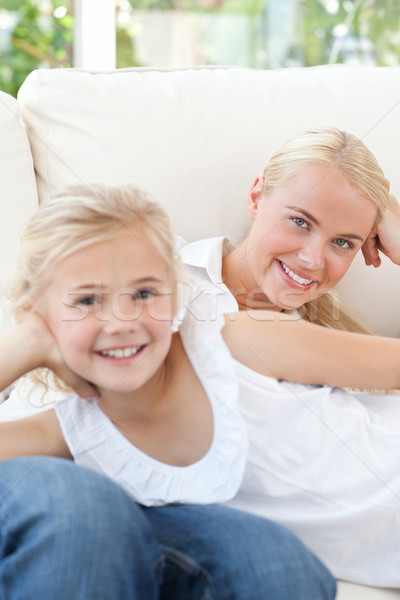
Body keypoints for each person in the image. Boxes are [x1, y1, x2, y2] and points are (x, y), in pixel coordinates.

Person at [0, 183, 336, 599]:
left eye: (144, 293)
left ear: (174, 293)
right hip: (52, 499)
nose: (122, 320)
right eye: (87, 299)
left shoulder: (210, 338)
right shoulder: (56, 423)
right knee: (80, 506)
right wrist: (24, 344)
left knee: (273, 562)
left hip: (143, 517)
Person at [179, 126, 400, 587]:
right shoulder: (179, 289)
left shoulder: (324, 333)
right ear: (257, 197)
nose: (313, 260)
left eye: (344, 242)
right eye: (300, 221)